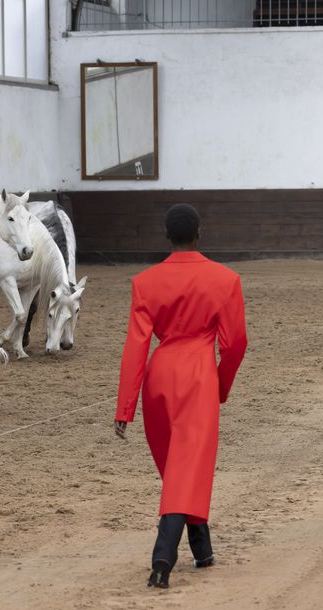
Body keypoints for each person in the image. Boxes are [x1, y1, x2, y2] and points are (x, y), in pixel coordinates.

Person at [113, 203, 247, 589]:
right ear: (199, 233)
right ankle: (163, 555)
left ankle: (202, 549)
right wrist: (220, 384)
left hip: (159, 375)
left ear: (166, 236)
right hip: (198, 377)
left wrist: (125, 406)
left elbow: (136, 347)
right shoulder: (225, 280)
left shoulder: (146, 282)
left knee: (179, 466)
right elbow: (235, 343)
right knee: (186, 467)